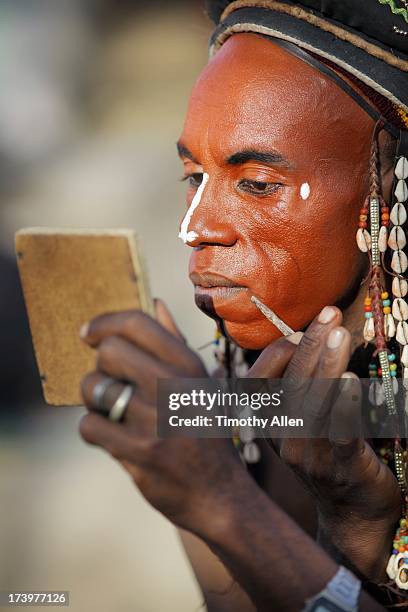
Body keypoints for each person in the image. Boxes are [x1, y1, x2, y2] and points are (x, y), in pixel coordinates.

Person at [79, 1, 408, 610]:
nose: (195, 227)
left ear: (386, 177)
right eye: (193, 176)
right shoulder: (244, 411)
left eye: (257, 183)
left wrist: (223, 502)